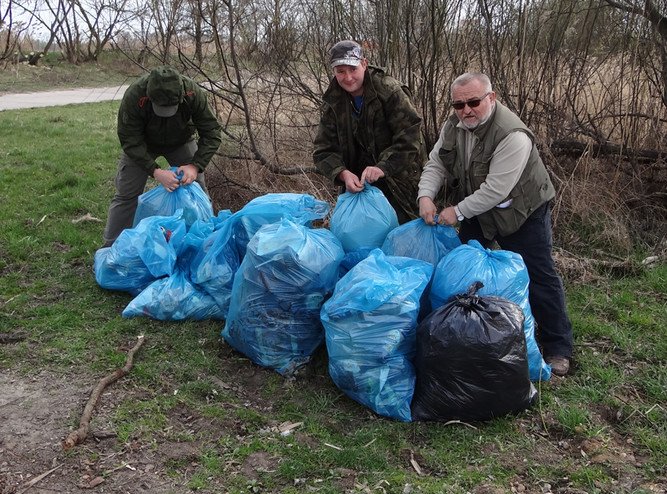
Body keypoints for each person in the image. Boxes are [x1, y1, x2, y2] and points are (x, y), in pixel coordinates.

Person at [417, 72, 573, 376]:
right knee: (460, 270)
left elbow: (496, 189)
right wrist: (425, 196)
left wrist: (457, 211)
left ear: (492, 98)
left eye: (474, 102)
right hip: (479, 211)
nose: (467, 110)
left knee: (540, 276)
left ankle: (558, 347)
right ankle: (459, 335)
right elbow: (437, 163)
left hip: (523, 211)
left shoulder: (512, 134)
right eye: (459, 105)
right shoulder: (455, 125)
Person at [102, 66, 222, 247]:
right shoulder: (135, 95)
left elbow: (212, 132)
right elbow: (129, 139)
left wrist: (195, 165)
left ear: (181, 97)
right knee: (126, 195)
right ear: (149, 96)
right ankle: (112, 250)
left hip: (181, 140)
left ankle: (206, 244)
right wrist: (155, 171)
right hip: (143, 143)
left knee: (197, 189)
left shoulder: (192, 93)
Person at [313, 40, 425, 224]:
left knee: (403, 238)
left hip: (399, 181)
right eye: (340, 71)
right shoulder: (333, 102)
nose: (348, 77)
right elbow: (323, 149)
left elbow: (411, 138)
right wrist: (342, 173)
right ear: (333, 72)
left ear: (364, 64)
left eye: (353, 69)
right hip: (359, 186)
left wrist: (382, 167)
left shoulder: (389, 91)